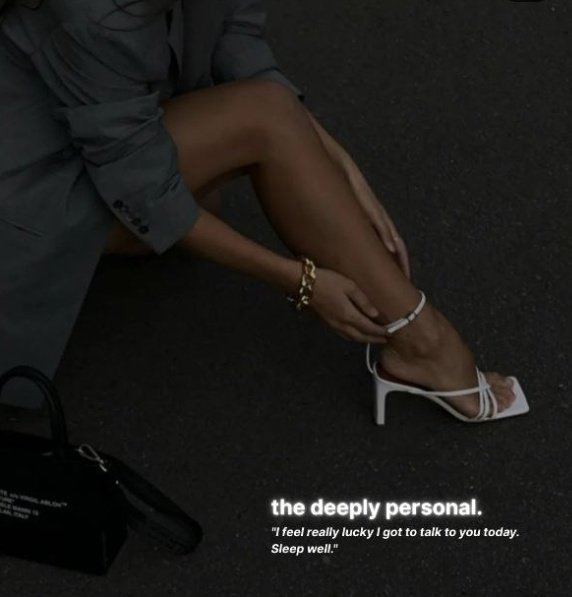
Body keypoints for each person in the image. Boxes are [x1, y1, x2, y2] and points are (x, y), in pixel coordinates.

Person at [0, 0, 528, 422]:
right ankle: (423, 343)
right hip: (31, 200)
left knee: (255, 143)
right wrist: (300, 282)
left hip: (96, 143)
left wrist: (335, 159)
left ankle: (413, 336)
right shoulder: (87, 10)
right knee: (258, 125)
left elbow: (236, 36)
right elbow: (145, 188)